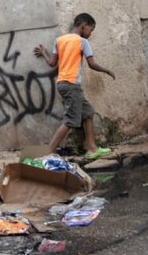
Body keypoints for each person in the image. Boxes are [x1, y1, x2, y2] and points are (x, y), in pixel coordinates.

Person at [33, 13, 116, 159]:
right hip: (72, 85)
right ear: (83, 26)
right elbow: (92, 64)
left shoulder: (59, 40)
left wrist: (44, 53)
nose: (90, 33)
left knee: (88, 113)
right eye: (91, 29)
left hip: (62, 84)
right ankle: (47, 153)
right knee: (71, 120)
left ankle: (92, 148)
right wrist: (106, 70)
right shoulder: (82, 42)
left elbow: (52, 63)